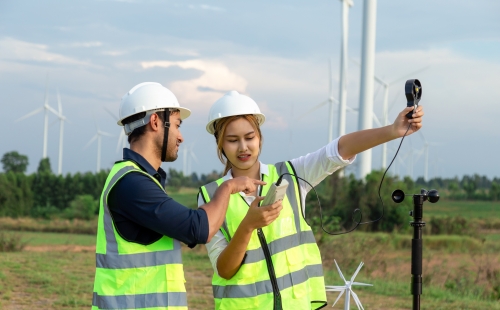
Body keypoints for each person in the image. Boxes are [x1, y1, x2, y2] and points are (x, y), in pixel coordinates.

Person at [198, 90, 425, 310]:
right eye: (232, 140)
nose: (243, 147)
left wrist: (393, 130)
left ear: (259, 136)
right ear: (219, 143)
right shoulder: (210, 196)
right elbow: (225, 269)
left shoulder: (292, 174)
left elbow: (339, 149)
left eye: (249, 137)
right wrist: (247, 226)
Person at [91, 83, 264, 310]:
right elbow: (198, 228)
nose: (180, 137)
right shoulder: (131, 184)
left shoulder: (139, 180)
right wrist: (228, 187)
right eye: (176, 125)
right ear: (155, 122)